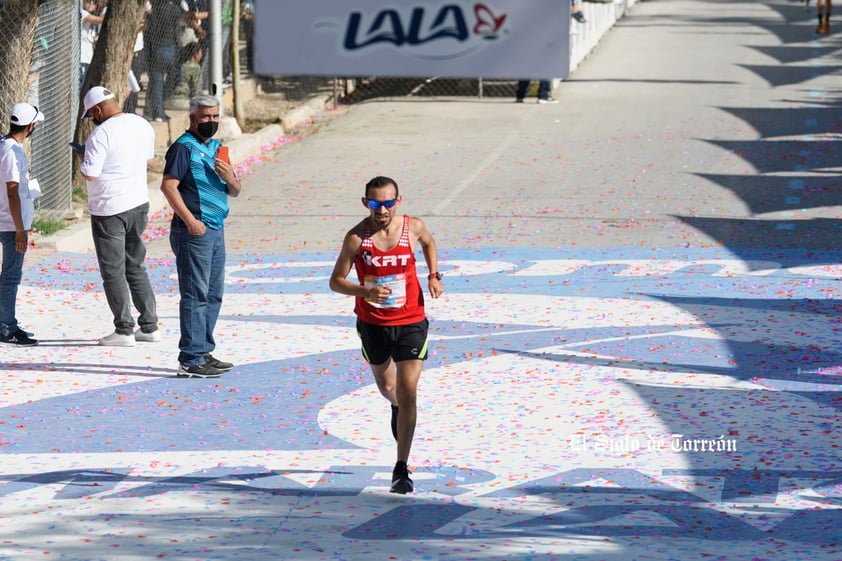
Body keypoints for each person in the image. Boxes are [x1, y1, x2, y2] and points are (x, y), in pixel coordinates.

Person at [328, 176, 444, 494]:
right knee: (388, 386)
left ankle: (401, 467)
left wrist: (433, 275)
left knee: (409, 391)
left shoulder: (413, 227)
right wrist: (365, 291)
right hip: (374, 324)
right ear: (366, 203)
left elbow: (429, 243)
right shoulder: (356, 238)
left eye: (389, 202)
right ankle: (395, 406)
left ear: (398, 201)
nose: (383, 210)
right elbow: (336, 281)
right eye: (377, 203)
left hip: (412, 321)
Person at [160, 94, 241, 378]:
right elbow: (168, 187)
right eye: (206, 117)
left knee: (213, 293)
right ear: (193, 118)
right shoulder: (183, 148)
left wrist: (230, 176)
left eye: (215, 116)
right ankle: (190, 358)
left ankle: (203, 349)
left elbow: (235, 189)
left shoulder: (218, 148)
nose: (211, 122)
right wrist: (191, 221)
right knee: (195, 293)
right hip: (194, 231)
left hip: (217, 229)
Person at [78, 86, 161, 347]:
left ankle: (124, 329)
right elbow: (148, 161)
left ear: (97, 110)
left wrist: (83, 157)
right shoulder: (142, 124)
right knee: (135, 265)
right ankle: (149, 326)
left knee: (113, 270)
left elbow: (91, 173)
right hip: (138, 203)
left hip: (109, 207)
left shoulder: (100, 134)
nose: (92, 118)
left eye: (91, 114)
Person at [0, 103, 45, 347]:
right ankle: (6, 327)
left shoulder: (6, 146)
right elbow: (12, 191)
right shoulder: (12, 152)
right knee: (11, 276)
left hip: (8, 220)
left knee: (8, 275)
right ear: (30, 126)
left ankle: (5, 321)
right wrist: (19, 229)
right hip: (10, 224)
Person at [80, 0, 103, 89]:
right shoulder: (82, 13)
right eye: (88, 1)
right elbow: (100, 20)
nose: (91, 4)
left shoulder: (94, 15)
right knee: (80, 86)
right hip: (81, 58)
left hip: (89, 58)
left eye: (94, 2)